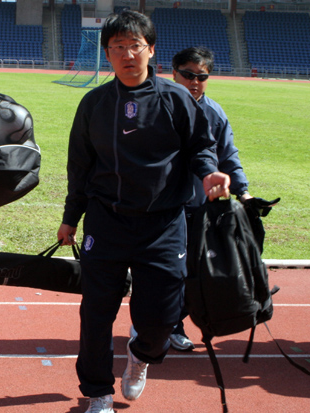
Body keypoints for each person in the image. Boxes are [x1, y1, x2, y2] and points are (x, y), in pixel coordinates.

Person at [57, 11, 230, 413]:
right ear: (107, 54)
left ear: (151, 50)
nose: (126, 54)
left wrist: (208, 173)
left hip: (164, 224)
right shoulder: (94, 103)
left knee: (160, 320)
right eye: (117, 47)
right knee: (96, 313)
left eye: (134, 45)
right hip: (107, 220)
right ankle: (97, 392)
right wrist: (71, 217)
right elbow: (79, 165)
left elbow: (200, 147)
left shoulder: (177, 98)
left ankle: (141, 355)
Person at [169, 46, 252, 351]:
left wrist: (243, 191)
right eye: (188, 75)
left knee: (196, 270)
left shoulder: (214, 113)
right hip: (161, 207)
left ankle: (173, 324)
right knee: (164, 269)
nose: (194, 81)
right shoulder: (158, 106)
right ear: (173, 72)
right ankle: (153, 322)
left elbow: (228, 155)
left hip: (199, 207)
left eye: (201, 76)